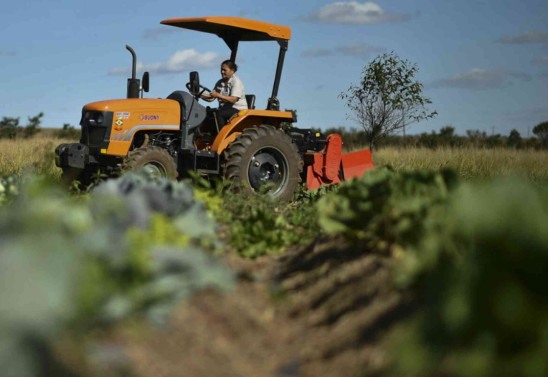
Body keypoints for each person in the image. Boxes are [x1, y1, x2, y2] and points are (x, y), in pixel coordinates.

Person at [201, 60, 247, 127]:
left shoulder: (236, 82)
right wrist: (200, 94)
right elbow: (211, 97)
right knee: (206, 113)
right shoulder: (220, 82)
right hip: (225, 108)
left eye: (225, 70)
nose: (222, 72)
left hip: (238, 109)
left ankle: (221, 135)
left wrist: (217, 95)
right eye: (221, 70)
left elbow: (234, 99)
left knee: (219, 114)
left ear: (232, 71)